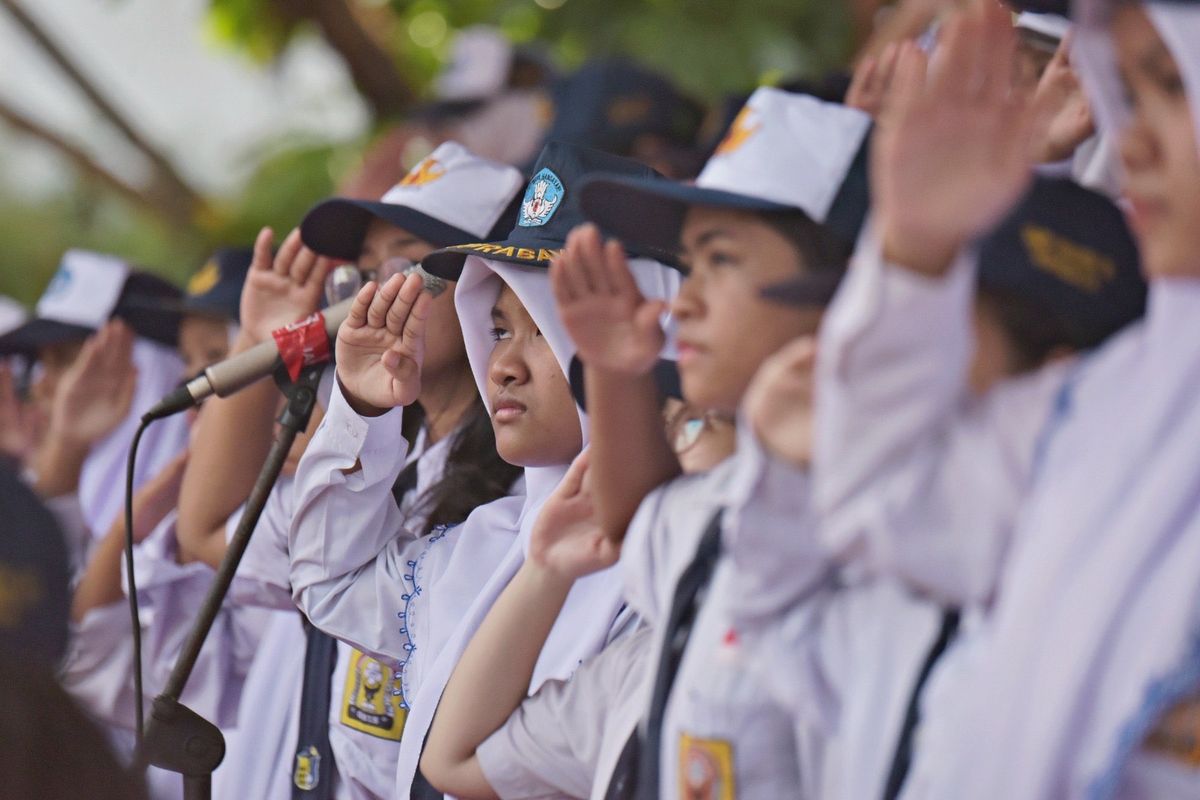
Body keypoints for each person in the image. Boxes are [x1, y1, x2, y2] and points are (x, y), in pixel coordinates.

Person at [418, 87, 869, 800]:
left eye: (719, 261)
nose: (684, 300)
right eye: (687, 261)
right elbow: (450, 763)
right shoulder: (687, 550)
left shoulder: (885, 531)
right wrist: (621, 375)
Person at [810, 1, 1200, 796]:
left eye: (1174, 87)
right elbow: (881, 502)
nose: (1134, 142)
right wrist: (914, 251)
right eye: (1128, 94)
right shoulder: (1100, 399)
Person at [288, 142, 681, 798]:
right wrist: (359, 410)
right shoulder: (488, 543)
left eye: (547, 330)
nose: (504, 366)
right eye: (499, 328)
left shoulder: (678, 556)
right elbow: (332, 584)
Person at [0, 251, 188, 570]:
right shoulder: (42, 474)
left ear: (144, 371)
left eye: (64, 359)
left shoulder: (189, 510)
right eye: (40, 364)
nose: (39, 386)